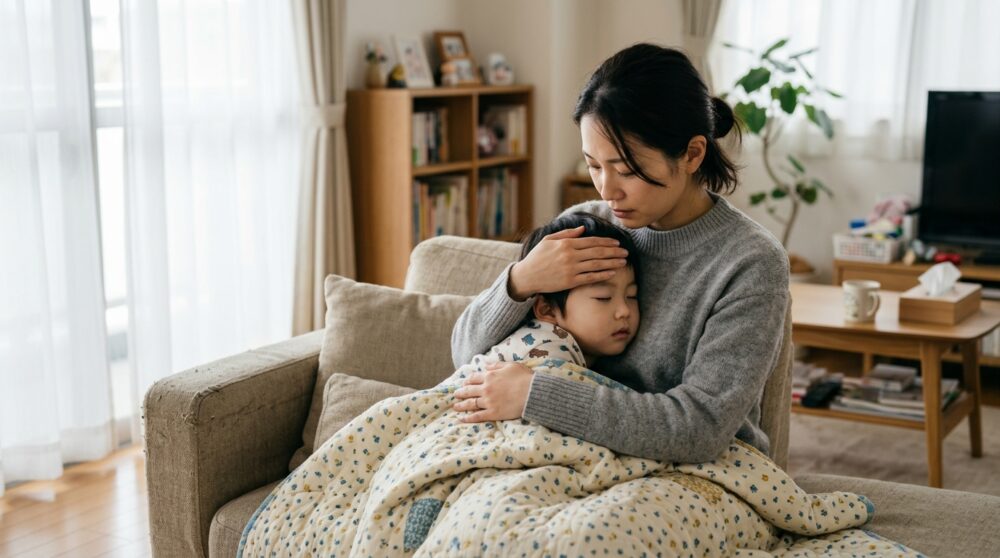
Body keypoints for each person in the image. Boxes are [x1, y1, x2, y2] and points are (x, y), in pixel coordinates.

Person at [450, 43, 790, 464]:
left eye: (627, 170)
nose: (607, 191)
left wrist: (535, 395)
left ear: (692, 154)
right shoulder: (586, 226)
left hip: (699, 475)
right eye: (593, 165)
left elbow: (699, 429)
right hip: (573, 458)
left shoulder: (749, 263)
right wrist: (521, 280)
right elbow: (466, 355)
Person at [448, 212, 641, 422]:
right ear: (547, 310)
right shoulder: (552, 349)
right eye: (603, 298)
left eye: (632, 296)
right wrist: (520, 280)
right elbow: (462, 354)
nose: (624, 310)